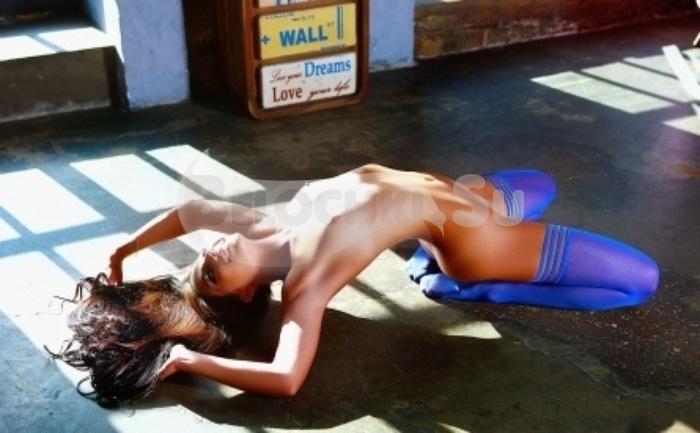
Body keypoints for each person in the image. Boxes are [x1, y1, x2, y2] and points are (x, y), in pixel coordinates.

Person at [49, 164, 659, 406]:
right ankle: (467, 287)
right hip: (480, 244)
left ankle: (428, 259)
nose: (211, 252)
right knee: (640, 280)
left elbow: (190, 212)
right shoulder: (307, 283)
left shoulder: (261, 227)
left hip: (459, 197)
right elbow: (287, 378)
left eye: (200, 258)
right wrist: (187, 360)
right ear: (244, 294)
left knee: (542, 180)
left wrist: (124, 250)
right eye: (211, 272)